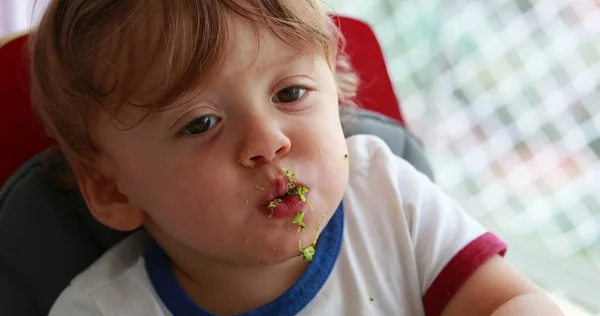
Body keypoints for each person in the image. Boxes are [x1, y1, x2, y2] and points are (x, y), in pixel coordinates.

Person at [30, 0, 563, 315]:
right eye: (201, 123)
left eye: (289, 93)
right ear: (114, 189)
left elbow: (510, 304)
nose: (268, 141)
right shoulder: (100, 309)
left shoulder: (386, 196)